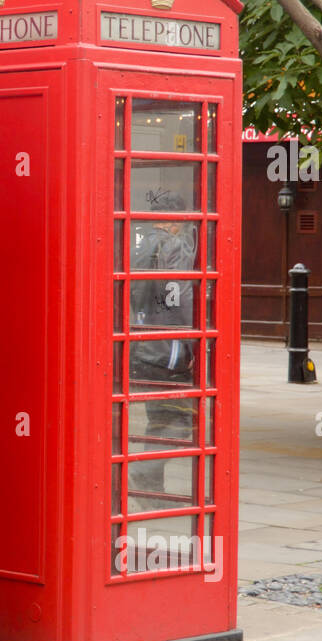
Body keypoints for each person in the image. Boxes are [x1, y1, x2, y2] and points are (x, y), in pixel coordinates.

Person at [128, 192, 197, 499]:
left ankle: (151, 489)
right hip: (165, 351)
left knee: (159, 419)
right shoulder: (173, 247)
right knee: (179, 422)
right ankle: (142, 473)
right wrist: (189, 345)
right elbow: (178, 300)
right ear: (175, 221)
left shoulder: (135, 242)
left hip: (138, 345)